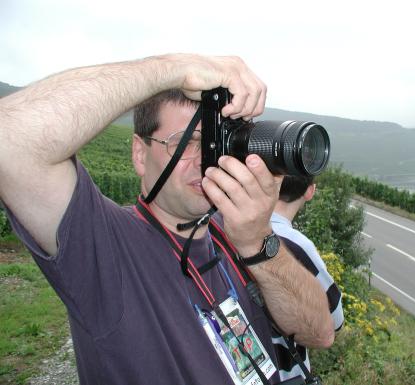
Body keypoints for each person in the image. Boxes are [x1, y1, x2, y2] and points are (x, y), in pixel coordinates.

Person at [0, 54, 334, 385]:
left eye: (214, 141)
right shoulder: (106, 244)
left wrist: (258, 244)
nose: (206, 159)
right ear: (140, 154)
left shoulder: (238, 233)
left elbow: (318, 333)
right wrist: (175, 68)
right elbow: (8, 141)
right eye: (186, 142)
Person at [271, 175, 344, 381]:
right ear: (310, 191)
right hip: (284, 375)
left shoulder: (230, 224)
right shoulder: (296, 244)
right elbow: (335, 320)